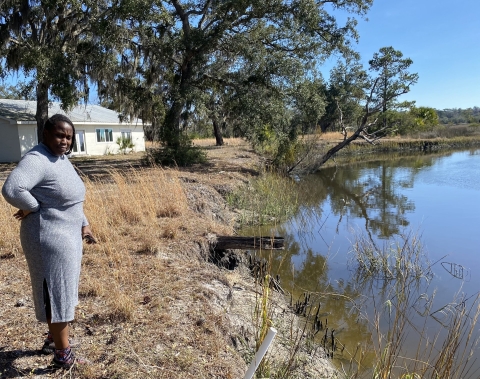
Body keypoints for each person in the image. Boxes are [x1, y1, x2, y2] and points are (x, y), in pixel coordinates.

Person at [2, 114, 96, 369]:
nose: (64, 140)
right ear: (45, 134)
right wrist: (33, 207)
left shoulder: (61, 159)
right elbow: (12, 189)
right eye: (59, 135)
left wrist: (84, 225)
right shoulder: (38, 159)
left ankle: (53, 340)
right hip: (48, 237)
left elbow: (69, 198)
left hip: (66, 236)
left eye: (69, 137)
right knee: (56, 293)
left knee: (62, 291)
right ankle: (63, 357)